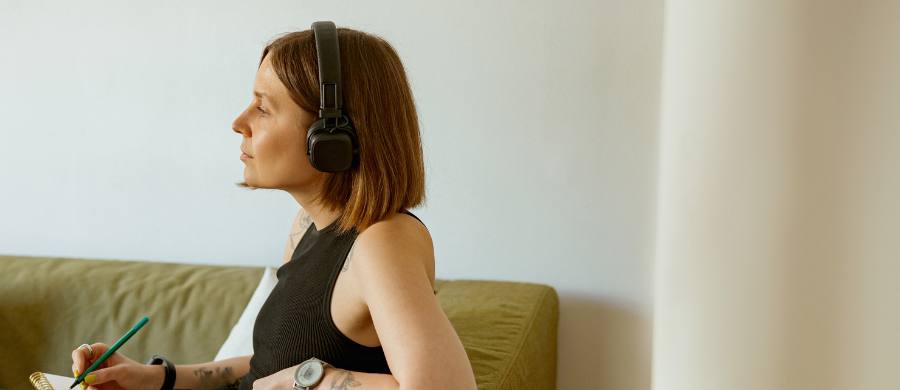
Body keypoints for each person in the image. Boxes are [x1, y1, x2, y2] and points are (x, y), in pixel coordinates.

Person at [70, 23, 477, 390]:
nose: (239, 121)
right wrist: (156, 377)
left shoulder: (382, 241)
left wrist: (313, 382)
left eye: (263, 108)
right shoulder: (306, 225)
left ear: (332, 137)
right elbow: (271, 369)